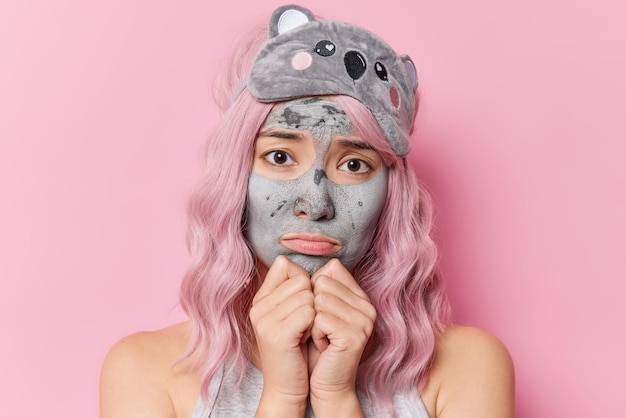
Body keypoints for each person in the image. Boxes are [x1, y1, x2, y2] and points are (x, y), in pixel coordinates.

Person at [100, 5, 514, 417]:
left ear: (390, 195)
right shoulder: (146, 371)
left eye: (354, 164)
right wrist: (283, 397)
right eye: (280, 156)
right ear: (236, 179)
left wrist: (337, 398)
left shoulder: (466, 367)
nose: (315, 204)